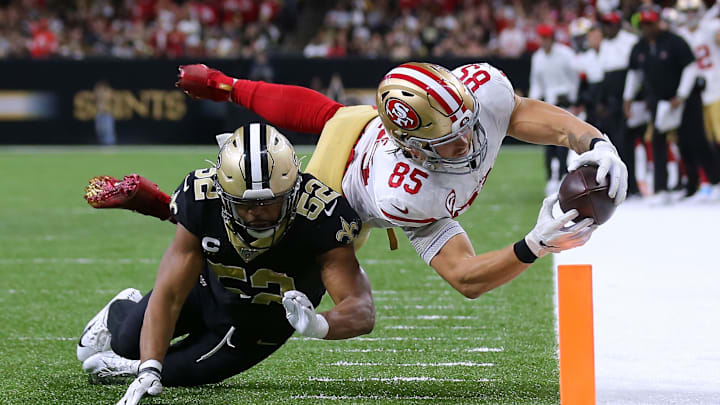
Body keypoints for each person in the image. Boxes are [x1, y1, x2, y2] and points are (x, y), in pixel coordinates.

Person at [91, 60, 627, 300]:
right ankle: (163, 205)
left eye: (465, 125)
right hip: (342, 190)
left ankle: (230, 85)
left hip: (358, 123)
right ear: (412, 147)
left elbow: (518, 113)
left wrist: (594, 142)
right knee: (259, 268)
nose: (469, 145)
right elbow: (466, 278)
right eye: (449, 143)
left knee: (331, 114)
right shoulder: (408, 192)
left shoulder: (476, 92)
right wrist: (534, 245)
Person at [78, 124, 375, 405]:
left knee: (173, 375)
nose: (256, 214)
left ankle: (132, 366)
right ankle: (122, 313)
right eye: (244, 205)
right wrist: (149, 368)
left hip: (258, 327)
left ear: (294, 191)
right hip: (206, 288)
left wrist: (317, 325)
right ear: (222, 193)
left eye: (269, 203)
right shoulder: (201, 197)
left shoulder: (321, 217)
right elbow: (169, 295)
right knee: (128, 341)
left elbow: (361, 309)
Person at [624, 5, 720, 203]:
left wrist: (681, 95)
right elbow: (635, 74)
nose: (647, 28)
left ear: (659, 23)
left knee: (694, 140)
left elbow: (690, 67)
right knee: (659, 142)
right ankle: (662, 189)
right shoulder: (639, 46)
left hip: (686, 100)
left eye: (650, 23)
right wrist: (628, 97)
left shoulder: (674, 41)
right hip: (659, 102)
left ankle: (715, 181)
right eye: (644, 25)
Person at [529, 24, 579, 196]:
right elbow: (536, 83)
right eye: (541, 38)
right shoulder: (537, 58)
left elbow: (574, 78)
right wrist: (533, 102)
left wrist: (573, 98)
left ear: (552, 38)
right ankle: (551, 177)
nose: (544, 41)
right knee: (548, 142)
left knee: (563, 141)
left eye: (546, 38)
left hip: (564, 103)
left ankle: (565, 176)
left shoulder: (565, 54)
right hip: (547, 104)